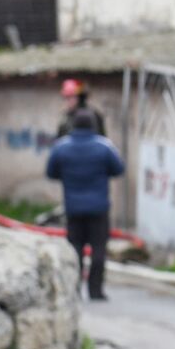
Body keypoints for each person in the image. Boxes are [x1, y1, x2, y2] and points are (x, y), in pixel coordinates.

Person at [46, 108, 124, 300]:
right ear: (94, 126)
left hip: (73, 208)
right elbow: (118, 169)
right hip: (99, 208)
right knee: (98, 249)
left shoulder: (61, 147)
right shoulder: (104, 147)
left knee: (75, 249)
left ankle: (74, 290)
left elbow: (51, 172)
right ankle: (95, 291)